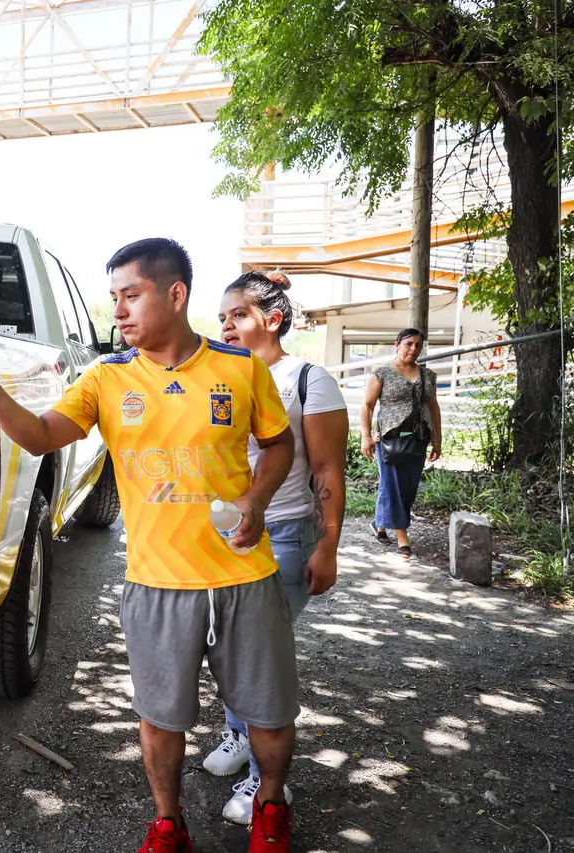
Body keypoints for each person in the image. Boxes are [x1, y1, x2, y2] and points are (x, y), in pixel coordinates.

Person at [0, 238, 297, 853]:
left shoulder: (239, 367)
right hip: (156, 582)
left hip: (244, 573)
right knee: (160, 718)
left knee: (269, 713)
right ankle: (169, 824)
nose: (117, 310)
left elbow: (279, 445)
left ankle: (271, 808)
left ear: (175, 295)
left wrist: (256, 500)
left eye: (130, 295)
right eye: (113, 297)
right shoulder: (107, 379)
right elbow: (38, 436)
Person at [204, 270, 349, 823]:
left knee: (257, 657)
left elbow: (329, 470)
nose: (227, 326)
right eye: (222, 318)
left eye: (238, 315)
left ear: (273, 319)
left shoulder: (307, 379)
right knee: (227, 647)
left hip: (285, 533)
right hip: (221, 536)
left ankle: (266, 784)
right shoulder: (219, 375)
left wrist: (328, 545)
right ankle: (239, 735)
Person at [359, 328, 442, 558]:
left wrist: (438, 439)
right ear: (397, 345)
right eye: (408, 344)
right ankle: (402, 536)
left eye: (418, 345)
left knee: (407, 487)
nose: (413, 349)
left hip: (419, 438)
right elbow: (367, 406)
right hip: (389, 439)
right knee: (393, 484)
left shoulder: (429, 375)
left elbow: (433, 407)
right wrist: (366, 436)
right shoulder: (382, 373)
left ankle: (379, 523)